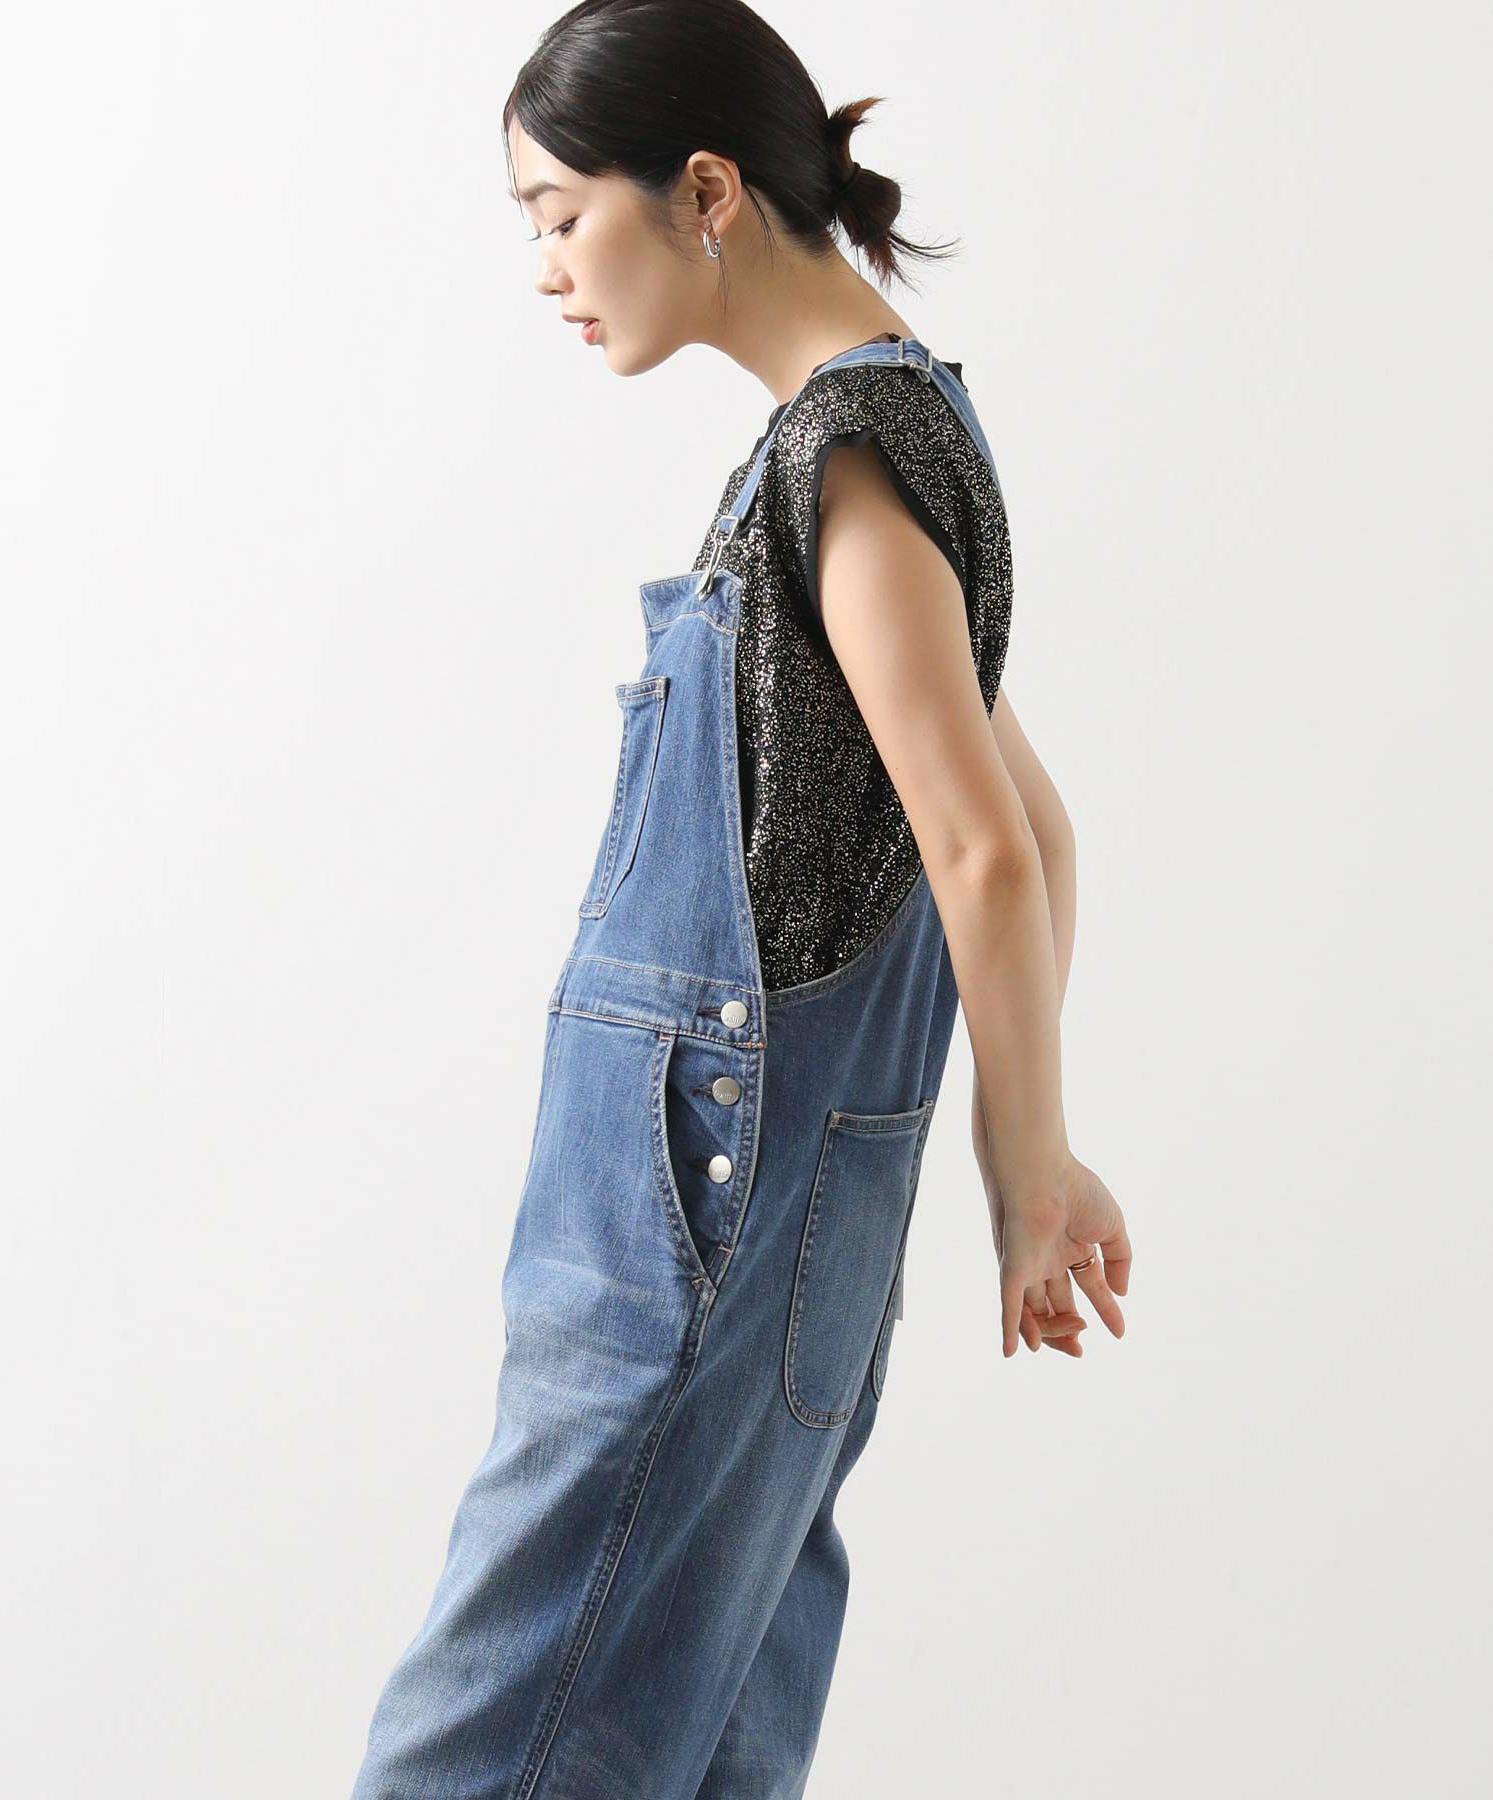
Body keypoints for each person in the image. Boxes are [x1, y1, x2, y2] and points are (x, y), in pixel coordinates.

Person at [350, 2, 1132, 1795]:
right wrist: (985, 1150)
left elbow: (988, 849)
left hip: (689, 1210)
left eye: (561, 214)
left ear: (704, 193)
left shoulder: (840, 458)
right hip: (788, 1223)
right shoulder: (902, 425)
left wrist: (1030, 1173)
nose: (547, 268)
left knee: (485, 1736)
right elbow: (1040, 829)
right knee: (695, 1736)